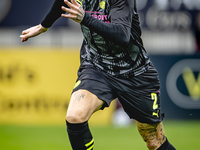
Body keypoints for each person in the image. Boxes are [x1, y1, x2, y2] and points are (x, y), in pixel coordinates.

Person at [20, 0, 176, 149]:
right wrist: (44, 26)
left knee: (154, 141)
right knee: (75, 116)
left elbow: (122, 35)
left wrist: (85, 18)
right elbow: (63, 1)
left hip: (134, 73)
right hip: (96, 67)